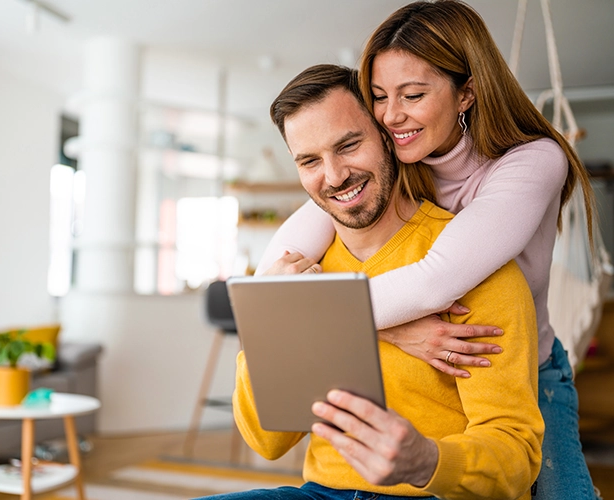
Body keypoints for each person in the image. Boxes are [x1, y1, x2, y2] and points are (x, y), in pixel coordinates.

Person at [256, 1, 598, 498]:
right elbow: (279, 265)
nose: (392, 116)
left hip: (520, 367)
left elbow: (437, 279)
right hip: (435, 367)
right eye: (377, 97)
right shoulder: (396, 158)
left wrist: (315, 313)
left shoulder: (533, 161)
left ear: (467, 93)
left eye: (412, 95)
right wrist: (398, 332)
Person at [197, 64, 543, 500]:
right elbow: (267, 441)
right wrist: (271, 316)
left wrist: (428, 460)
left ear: (388, 136)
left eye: (349, 145)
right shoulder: (301, 269)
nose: (335, 175)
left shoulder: (474, 267)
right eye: (310, 161)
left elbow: (515, 459)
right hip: (322, 491)